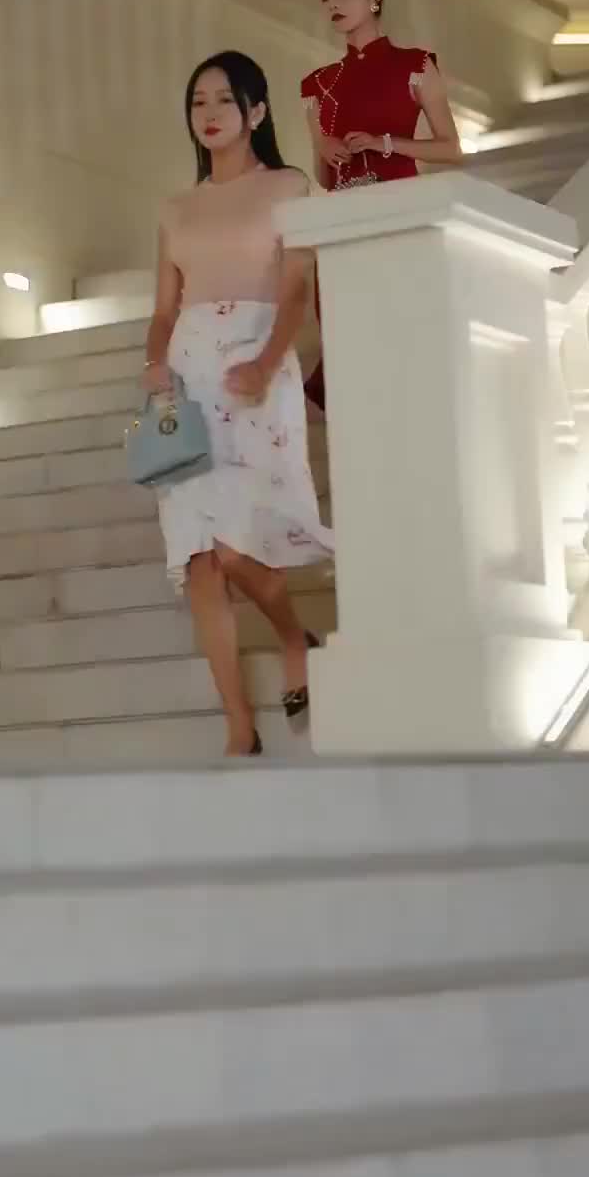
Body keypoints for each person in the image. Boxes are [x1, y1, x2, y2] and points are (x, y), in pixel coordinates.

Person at [143, 52, 333, 758]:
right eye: (199, 102)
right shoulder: (175, 208)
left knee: (234, 545)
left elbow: (295, 290)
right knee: (198, 556)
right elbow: (164, 309)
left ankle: (293, 638)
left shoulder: (290, 187)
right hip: (189, 379)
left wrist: (266, 359)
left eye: (225, 99)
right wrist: (154, 362)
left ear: (256, 111)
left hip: (257, 367)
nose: (210, 113)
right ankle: (238, 727)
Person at [301, 0, 463, 412]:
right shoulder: (317, 85)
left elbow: (451, 149)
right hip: (344, 226)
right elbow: (324, 178)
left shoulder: (415, 66)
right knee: (351, 343)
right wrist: (324, 150)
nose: (332, 4)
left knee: (398, 335)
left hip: (399, 216)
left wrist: (384, 143)